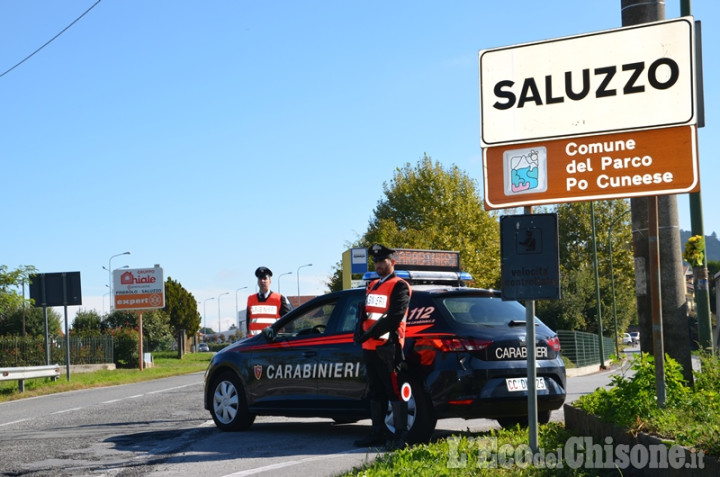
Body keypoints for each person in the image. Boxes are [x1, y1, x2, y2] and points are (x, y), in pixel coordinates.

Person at [353, 244, 412, 449]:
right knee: (375, 392)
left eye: (382, 261)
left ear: (391, 262)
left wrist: (371, 333)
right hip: (369, 347)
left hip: (389, 346)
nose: (378, 264)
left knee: (394, 391)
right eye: (376, 261)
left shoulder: (400, 285)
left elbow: (395, 317)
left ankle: (401, 436)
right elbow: (367, 312)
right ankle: (376, 433)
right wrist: (359, 331)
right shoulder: (372, 285)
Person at [246, 266, 292, 336]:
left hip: (272, 342)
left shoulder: (279, 298)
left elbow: (289, 320)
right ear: (257, 282)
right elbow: (248, 322)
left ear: (270, 281)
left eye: (265, 278)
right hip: (255, 342)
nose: (262, 281)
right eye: (260, 279)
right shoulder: (251, 299)